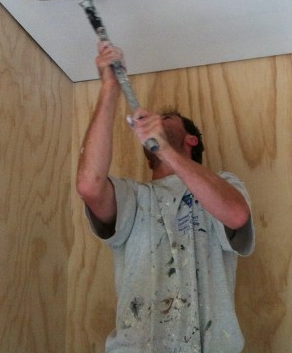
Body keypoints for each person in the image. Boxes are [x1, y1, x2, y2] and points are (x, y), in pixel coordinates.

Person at [77, 42, 255, 353]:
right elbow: (90, 186)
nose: (155, 120)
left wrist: (168, 152)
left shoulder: (223, 184)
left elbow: (236, 214)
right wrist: (110, 88)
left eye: (166, 119)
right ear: (147, 156)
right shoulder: (133, 197)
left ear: (191, 139)